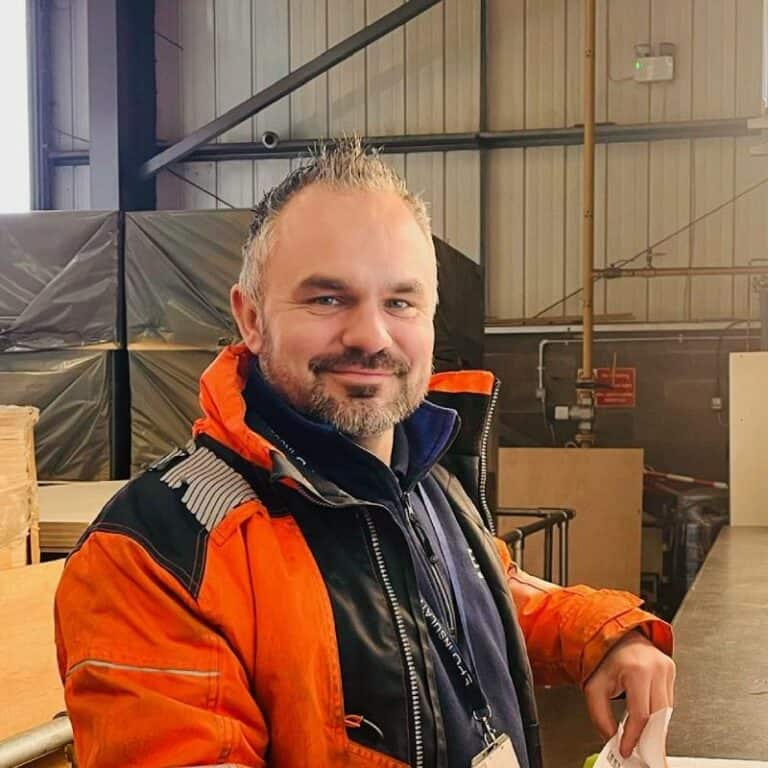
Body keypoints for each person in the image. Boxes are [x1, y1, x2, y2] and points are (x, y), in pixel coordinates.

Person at [55, 138, 674, 768]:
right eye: (327, 298)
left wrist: (600, 635)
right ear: (251, 318)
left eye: (400, 301)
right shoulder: (156, 556)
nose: (371, 337)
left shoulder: (422, 477)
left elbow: (478, 597)